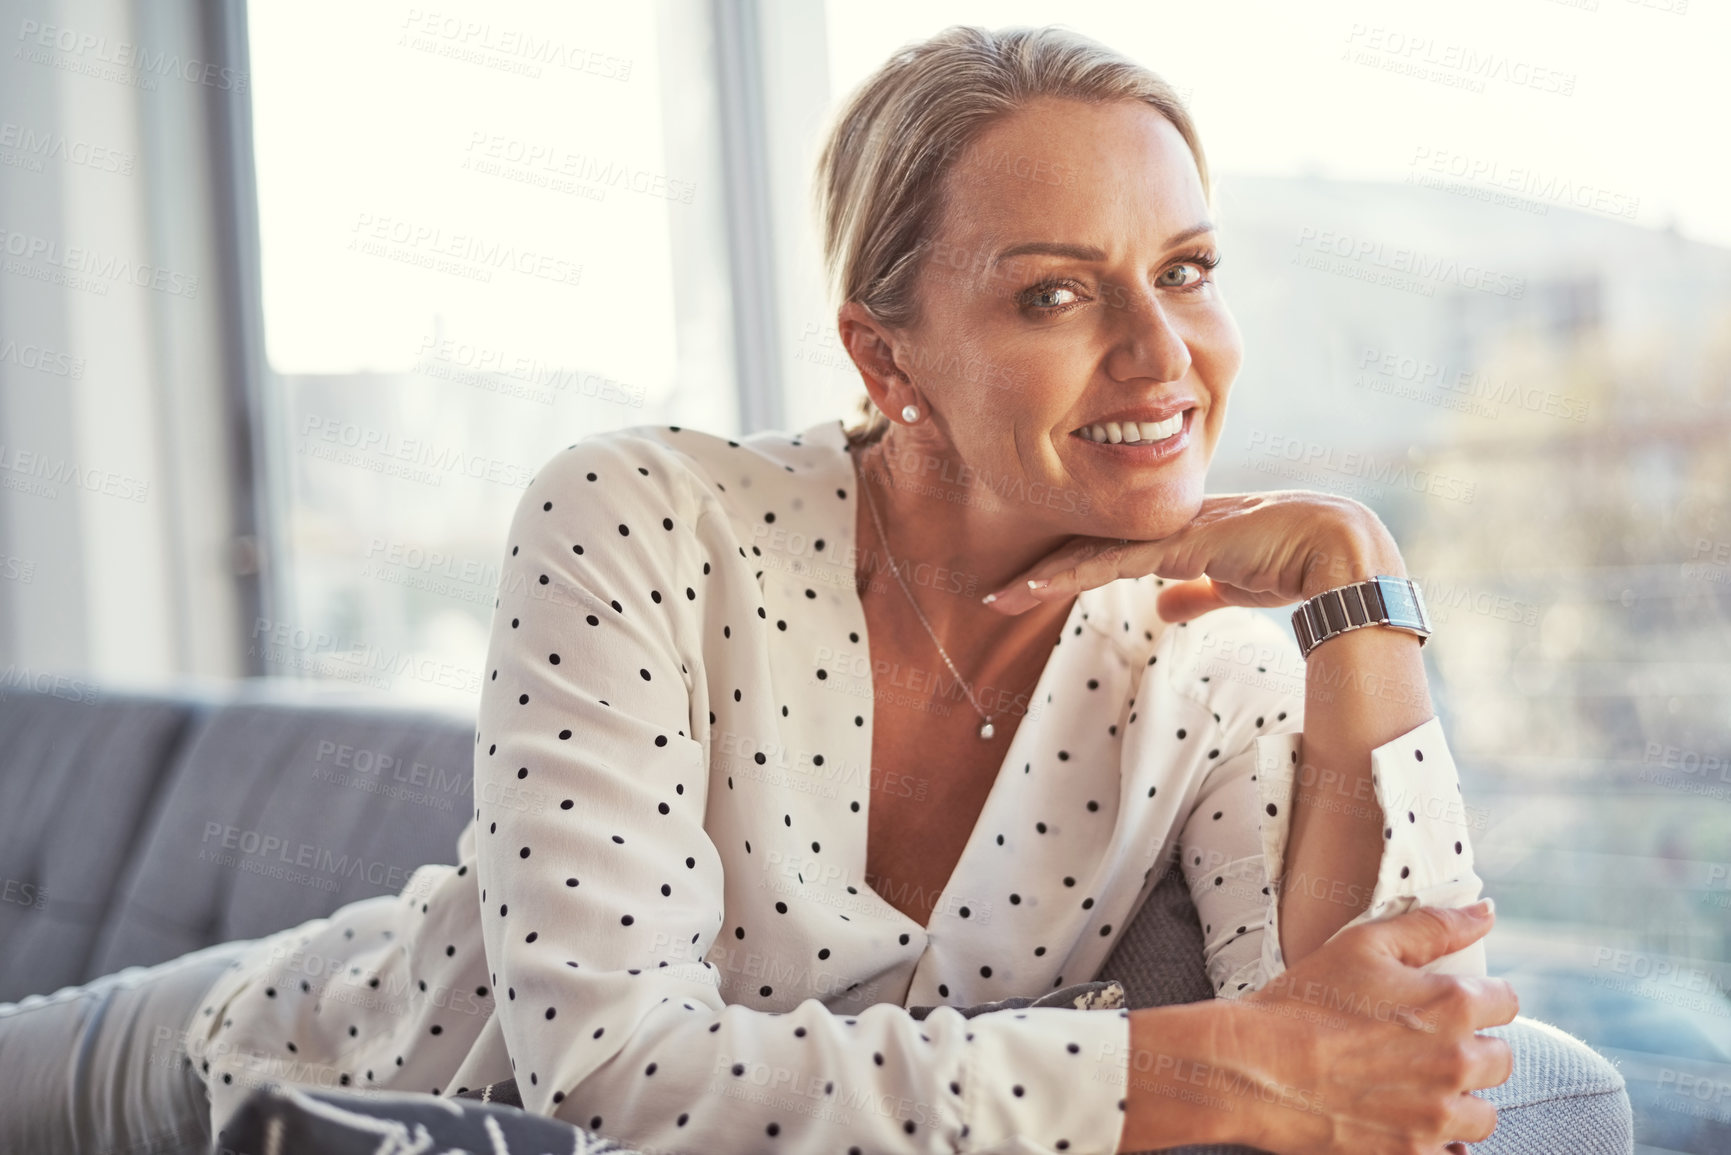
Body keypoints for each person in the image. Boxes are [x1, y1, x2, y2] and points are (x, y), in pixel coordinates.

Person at [0, 23, 1517, 1155]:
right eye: (1053, 291)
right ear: (885, 355)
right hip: (268, 1073)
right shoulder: (643, 519)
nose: (1160, 350)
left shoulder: (1229, 665)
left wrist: (1357, 585)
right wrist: (1205, 1071)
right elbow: (612, 1080)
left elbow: (1400, 1065)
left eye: (1185, 267)